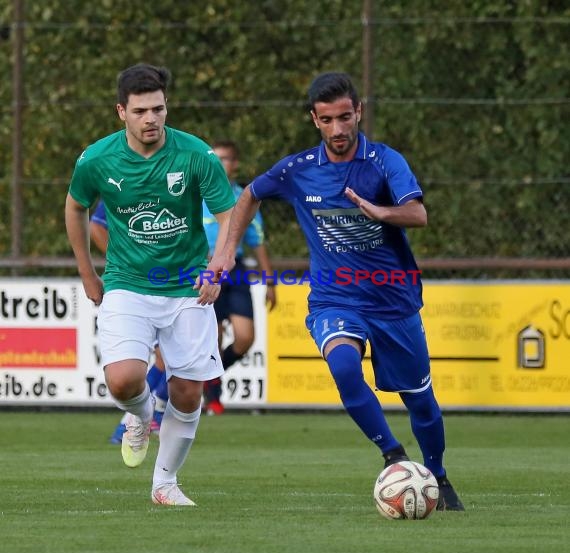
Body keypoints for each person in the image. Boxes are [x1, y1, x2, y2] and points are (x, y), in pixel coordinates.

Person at [210, 72, 465, 511]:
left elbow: (418, 214)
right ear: (315, 119)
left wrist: (379, 210)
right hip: (335, 298)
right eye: (327, 120)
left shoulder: (385, 162)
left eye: (345, 117)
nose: (338, 129)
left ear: (358, 112)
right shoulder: (299, 169)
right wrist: (227, 253)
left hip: (393, 300)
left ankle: (438, 477)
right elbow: (249, 195)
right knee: (344, 366)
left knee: (421, 402)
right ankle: (394, 456)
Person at [65, 63, 235, 506]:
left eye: (158, 108)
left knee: (188, 389)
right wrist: (88, 272)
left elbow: (228, 215)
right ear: (121, 110)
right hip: (126, 282)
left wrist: (218, 264)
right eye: (140, 110)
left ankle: (165, 484)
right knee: (123, 380)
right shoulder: (97, 158)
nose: (151, 119)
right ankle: (140, 416)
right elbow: (76, 207)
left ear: (166, 107)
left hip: (186, 287)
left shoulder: (196, 154)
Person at [202, 141, 277, 414]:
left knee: (245, 338)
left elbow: (258, 243)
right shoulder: (196, 194)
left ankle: (211, 377)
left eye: (227, 159)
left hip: (235, 273)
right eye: (217, 158)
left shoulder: (244, 199)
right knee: (213, 337)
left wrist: (270, 282)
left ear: (235, 164)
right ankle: (213, 398)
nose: (222, 164)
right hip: (203, 271)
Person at [90, 201, 170, 442]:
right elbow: (95, 226)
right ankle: (137, 419)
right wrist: (125, 261)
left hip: (175, 283)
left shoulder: (184, 178)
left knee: (170, 361)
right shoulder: (126, 181)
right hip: (135, 289)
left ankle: (141, 418)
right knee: (134, 371)